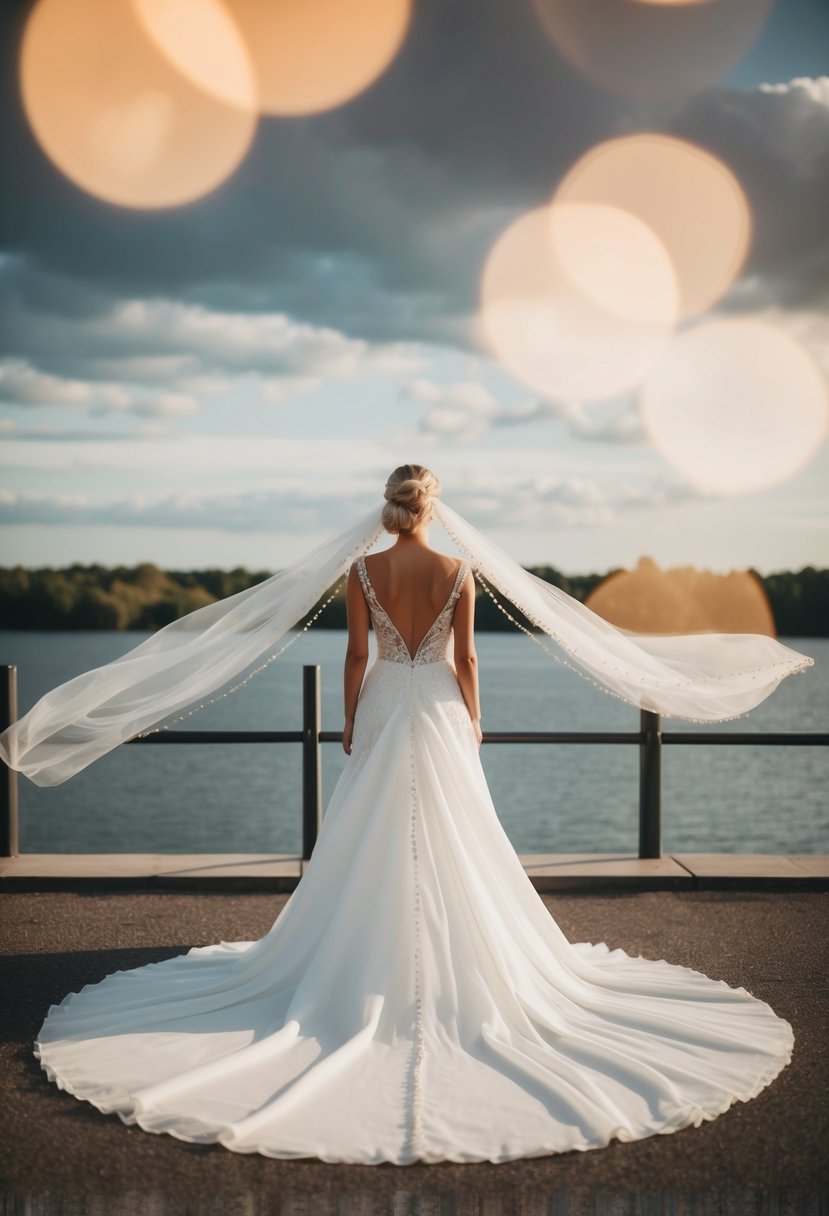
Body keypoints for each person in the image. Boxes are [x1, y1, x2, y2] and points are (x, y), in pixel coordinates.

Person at [29, 464, 805, 1164]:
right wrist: (472, 718)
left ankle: (354, 962)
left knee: (364, 837)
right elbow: (464, 658)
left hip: (382, 708)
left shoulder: (363, 569)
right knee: (456, 838)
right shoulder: (459, 569)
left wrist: (344, 721)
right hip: (434, 707)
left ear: (389, 510)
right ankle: (456, 972)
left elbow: (357, 655)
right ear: (432, 509)